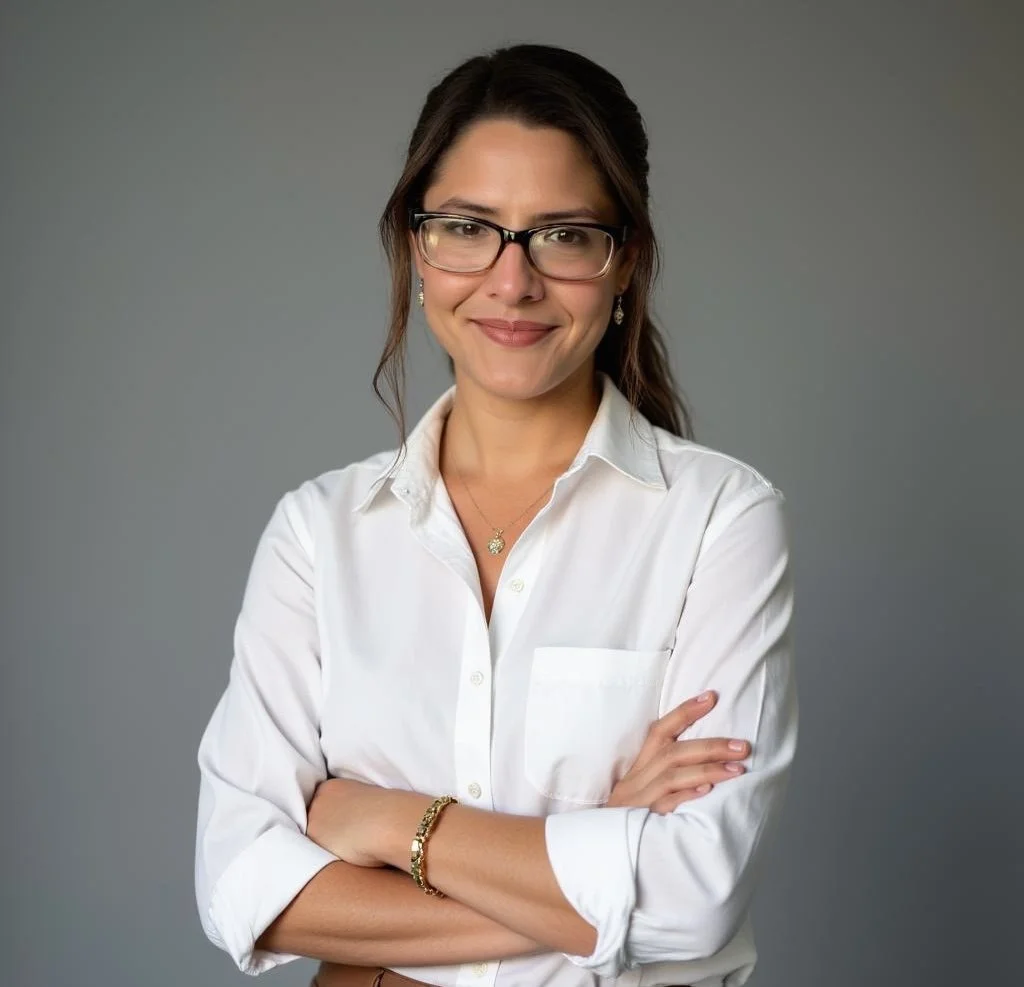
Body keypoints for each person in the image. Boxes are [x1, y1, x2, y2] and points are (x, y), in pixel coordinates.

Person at [194, 43, 797, 987]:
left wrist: (385, 823)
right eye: (469, 227)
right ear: (417, 247)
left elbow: (689, 898)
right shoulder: (319, 533)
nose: (511, 282)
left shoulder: (719, 519)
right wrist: (592, 863)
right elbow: (244, 886)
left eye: (563, 235)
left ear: (623, 259)